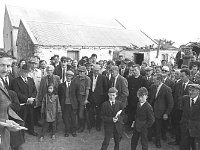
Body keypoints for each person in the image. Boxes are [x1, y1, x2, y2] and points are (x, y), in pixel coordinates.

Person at [0, 52, 24, 150]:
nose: (6, 69)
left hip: (4, 135)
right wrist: (4, 123)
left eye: (8, 66)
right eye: (1, 65)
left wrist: (7, 122)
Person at [11, 64, 38, 136]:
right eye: (24, 72)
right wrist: (27, 99)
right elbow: (17, 93)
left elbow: (35, 90)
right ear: (21, 72)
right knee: (22, 119)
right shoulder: (15, 81)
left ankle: (31, 130)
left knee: (31, 117)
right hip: (22, 104)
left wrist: (32, 98)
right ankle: (21, 134)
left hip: (31, 103)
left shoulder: (30, 79)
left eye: (27, 72)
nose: (26, 74)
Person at [148, 73, 174, 148]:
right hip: (151, 110)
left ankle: (158, 141)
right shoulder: (152, 87)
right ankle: (149, 137)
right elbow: (150, 98)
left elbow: (170, 103)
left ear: (159, 80)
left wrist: (166, 113)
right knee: (151, 125)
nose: (153, 81)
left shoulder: (166, 89)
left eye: (154, 80)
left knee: (158, 127)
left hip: (160, 112)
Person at [88, 64, 108, 131]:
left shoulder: (103, 78)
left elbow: (106, 89)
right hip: (91, 97)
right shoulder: (89, 77)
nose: (96, 72)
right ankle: (92, 123)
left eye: (97, 71)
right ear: (92, 70)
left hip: (99, 98)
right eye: (95, 70)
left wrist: (102, 98)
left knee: (99, 112)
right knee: (91, 112)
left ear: (99, 70)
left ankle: (98, 125)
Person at [58, 70, 78, 137]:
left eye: (70, 76)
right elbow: (59, 95)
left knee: (73, 118)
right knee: (65, 118)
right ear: (66, 76)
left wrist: (76, 103)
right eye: (67, 75)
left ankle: (73, 131)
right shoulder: (61, 85)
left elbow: (77, 95)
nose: (68, 77)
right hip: (65, 104)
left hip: (72, 104)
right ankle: (67, 130)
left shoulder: (75, 85)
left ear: (72, 77)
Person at [180, 84, 200, 150]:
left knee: (195, 147)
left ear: (198, 91)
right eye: (189, 90)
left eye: (193, 90)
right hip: (185, 128)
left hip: (196, 130)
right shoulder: (185, 98)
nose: (190, 92)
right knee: (184, 146)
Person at [126, 64, 146, 129]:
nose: (134, 71)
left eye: (135, 70)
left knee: (138, 114)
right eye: (132, 70)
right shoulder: (130, 79)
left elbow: (144, 91)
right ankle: (130, 125)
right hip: (131, 99)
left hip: (138, 100)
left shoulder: (143, 79)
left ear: (139, 70)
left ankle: (137, 126)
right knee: (130, 113)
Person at [72, 66, 91, 133]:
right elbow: (73, 88)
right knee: (77, 112)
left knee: (81, 114)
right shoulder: (76, 78)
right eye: (79, 71)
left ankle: (82, 126)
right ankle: (79, 125)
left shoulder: (87, 79)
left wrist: (86, 99)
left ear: (85, 72)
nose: (80, 73)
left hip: (83, 97)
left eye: (82, 72)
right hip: (76, 97)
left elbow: (87, 90)